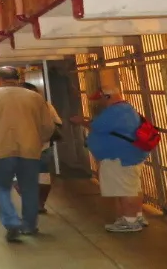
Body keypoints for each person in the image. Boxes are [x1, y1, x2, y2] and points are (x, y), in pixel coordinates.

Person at [0, 66, 57, 242]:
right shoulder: (35, 97)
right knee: (30, 188)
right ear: (17, 77)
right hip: (30, 149)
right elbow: (47, 126)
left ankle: (11, 221)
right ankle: (30, 226)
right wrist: (39, 142)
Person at [68, 87, 151, 232]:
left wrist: (81, 121)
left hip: (119, 158)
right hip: (129, 155)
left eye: (100, 99)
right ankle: (136, 216)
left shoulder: (115, 111)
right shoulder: (126, 109)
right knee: (133, 187)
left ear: (107, 97)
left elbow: (96, 126)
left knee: (126, 190)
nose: (99, 103)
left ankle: (129, 221)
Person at [18, 82, 63, 214]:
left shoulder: (13, 109)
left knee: (23, 177)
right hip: (43, 146)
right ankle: (39, 203)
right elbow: (58, 123)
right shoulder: (46, 106)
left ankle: (33, 201)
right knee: (43, 177)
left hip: (22, 148)